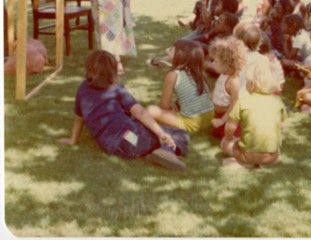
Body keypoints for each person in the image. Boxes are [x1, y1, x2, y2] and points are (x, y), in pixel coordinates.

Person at [58, 50, 189, 171]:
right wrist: (161, 134)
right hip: (130, 138)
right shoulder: (117, 88)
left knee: (141, 130)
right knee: (180, 134)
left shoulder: (83, 88)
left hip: (112, 146)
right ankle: (165, 151)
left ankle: (157, 151)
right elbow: (140, 112)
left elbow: (78, 118)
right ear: (113, 71)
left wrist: (72, 140)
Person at [220, 58, 287, 168]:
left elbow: (230, 126)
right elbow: (281, 126)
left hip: (247, 154)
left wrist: (227, 138)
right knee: (276, 150)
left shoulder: (243, 101)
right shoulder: (278, 101)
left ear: (252, 84)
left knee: (225, 145)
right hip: (272, 155)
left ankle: (243, 162)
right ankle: (265, 162)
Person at [147, 40, 214, 133]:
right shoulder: (199, 72)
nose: (170, 51)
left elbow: (164, 107)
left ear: (180, 55)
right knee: (177, 102)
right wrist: (175, 103)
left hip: (193, 122)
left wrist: (171, 107)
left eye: (173, 49)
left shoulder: (172, 75)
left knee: (151, 110)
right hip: (210, 116)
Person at [209, 37, 247, 139]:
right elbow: (218, 89)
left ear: (227, 64)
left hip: (229, 116)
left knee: (226, 136)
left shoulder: (233, 81)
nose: (213, 63)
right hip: (219, 114)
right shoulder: (223, 74)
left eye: (216, 61)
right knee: (215, 134)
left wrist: (223, 120)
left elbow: (235, 103)